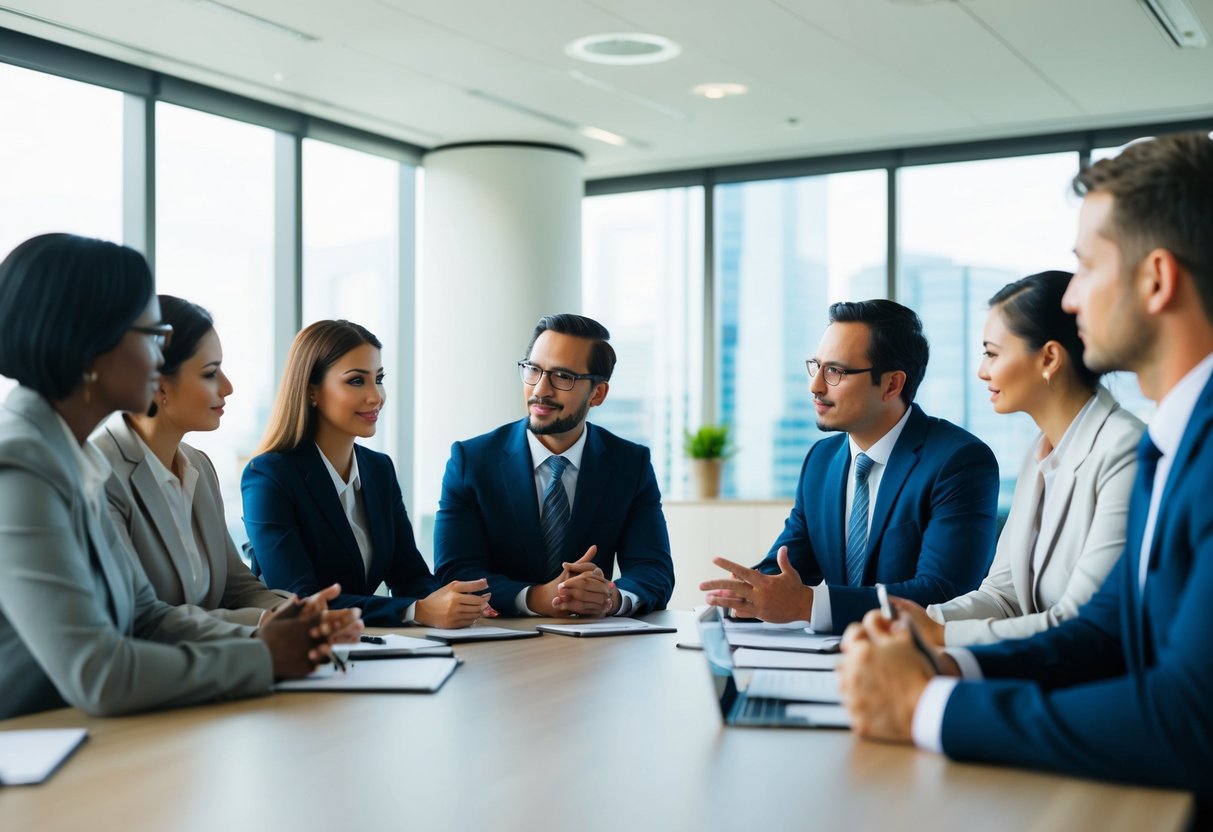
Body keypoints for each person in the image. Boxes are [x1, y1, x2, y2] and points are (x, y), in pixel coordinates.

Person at [838, 131, 1213, 805]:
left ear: (1156, 279)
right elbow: (1102, 631)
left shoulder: (1167, 448)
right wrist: (941, 661)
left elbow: (1189, 717)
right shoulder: (1171, 442)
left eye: (1087, 268)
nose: (1071, 300)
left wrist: (925, 706)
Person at [0, 233, 357, 721]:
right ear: (89, 342)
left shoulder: (68, 454)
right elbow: (100, 673)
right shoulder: (21, 467)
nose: (158, 357)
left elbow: (146, 616)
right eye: (152, 336)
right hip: (36, 745)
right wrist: (264, 657)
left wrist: (274, 634)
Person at [700, 300, 999, 633]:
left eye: (835, 372)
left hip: (917, 657)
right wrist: (746, 594)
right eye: (817, 366)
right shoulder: (821, 460)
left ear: (892, 384)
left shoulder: (959, 461)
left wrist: (807, 605)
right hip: (831, 654)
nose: (815, 386)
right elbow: (789, 567)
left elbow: (943, 594)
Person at [892, 271, 1143, 646]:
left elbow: (1082, 622)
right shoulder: (1039, 453)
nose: (982, 371)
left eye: (992, 353)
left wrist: (941, 635)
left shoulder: (1126, 450)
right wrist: (916, 622)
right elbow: (1003, 596)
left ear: (1049, 358)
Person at [242, 320, 491, 628]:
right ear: (311, 390)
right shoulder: (268, 476)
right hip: (302, 648)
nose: (376, 397)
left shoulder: (378, 469)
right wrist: (416, 611)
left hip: (368, 643)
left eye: (379, 379)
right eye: (357, 381)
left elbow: (409, 574)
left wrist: (453, 602)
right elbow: (302, 600)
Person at [433, 313, 675, 617]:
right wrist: (536, 598)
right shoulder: (471, 461)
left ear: (597, 393)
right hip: (498, 638)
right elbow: (455, 571)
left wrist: (610, 598)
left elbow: (653, 570)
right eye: (533, 370)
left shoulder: (629, 464)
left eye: (562, 376)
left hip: (593, 639)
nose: (540, 390)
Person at [92, 296, 290, 626]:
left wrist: (296, 614)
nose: (228, 387)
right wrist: (263, 625)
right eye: (210, 373)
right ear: (158, 385)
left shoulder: (199, 466)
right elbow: (139, 619)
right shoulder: (99, 472)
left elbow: (237, 587)